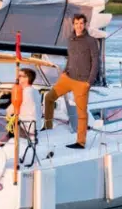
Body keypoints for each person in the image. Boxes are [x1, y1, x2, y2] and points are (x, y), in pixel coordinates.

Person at [44, 13, 99, 149]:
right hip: (68, 78)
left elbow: (96, 62)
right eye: (76, 23)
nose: (79, 26)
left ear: (85, 24)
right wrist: (65, 71)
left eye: (81, 23)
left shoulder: (91, 41)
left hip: (82, 82)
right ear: (73, 25)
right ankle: (48, 126)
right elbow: (70, 57)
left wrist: (89, 82)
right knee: (49, 97)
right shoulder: (71, 39)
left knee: (81, 113)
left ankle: (81, 142)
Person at [0, 68, 43, 144]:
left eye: (19, 76)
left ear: (26, 78)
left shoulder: (23, 92)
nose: (17, 78)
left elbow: (9, 111)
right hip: (35, 128)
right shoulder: (35, 92)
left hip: (25, 130)